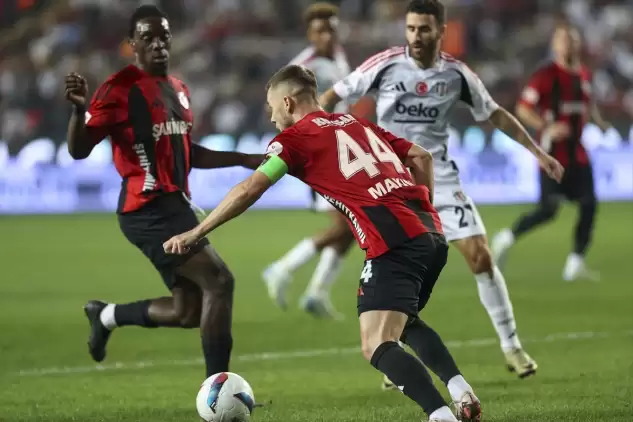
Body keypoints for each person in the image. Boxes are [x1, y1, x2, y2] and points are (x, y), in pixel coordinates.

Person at [164, 64, 482, 422]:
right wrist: (422, 208)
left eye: (271, 108)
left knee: (376, 344)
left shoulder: (292, 140)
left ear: (287, 102)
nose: (270, 117)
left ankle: (441, 417)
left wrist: (196, 232)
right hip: (430, 233)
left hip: (392, 241)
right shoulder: (356, 123)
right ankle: (461, 392)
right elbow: (420, 156)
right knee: (403, 322)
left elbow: (249, 188)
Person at [317, 0, 564, 384]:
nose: (416, 36)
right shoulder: (384, 64)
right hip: (391, 182)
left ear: (440, 31)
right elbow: (334, 93)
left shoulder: (457, 75)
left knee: (480, 256)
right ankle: (391, 344)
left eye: (424, 29)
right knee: (401, 267)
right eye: (411, 29)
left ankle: (511, 345)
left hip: (439, 179)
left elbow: (494, 112)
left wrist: (537, 152)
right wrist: (319, 132)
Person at [63, 5, 263, 378]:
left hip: (177, 207)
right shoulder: (119, 87)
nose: (158, 45)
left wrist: (243, 158)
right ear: (132, 44)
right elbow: (79, 150)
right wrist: (78, 112)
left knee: (188, 312)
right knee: (220, 282)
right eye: (148, 38)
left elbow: (186, 154)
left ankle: (106, 315)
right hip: (146, 209)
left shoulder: (179, 89)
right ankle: (217, 393)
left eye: (164, 37)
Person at [492, 22, 610, 281]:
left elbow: (588, 106)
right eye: (562, 40)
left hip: (578, 154)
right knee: (548, 210)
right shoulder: (546, 76)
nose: (568, 44)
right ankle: (507, 237)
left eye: (572, 39)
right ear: (555, 45)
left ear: (578, 44)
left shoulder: (585, 76)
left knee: (589, 204)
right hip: (552, 154)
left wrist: (600, 122)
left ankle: (576, 261)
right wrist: (547, 125)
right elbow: (523, 109)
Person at [262, 2, 353, 319]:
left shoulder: (338, 58)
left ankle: (316, 292)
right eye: (320, 31)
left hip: (342, 151)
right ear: (309, 34)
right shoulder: (303, 67)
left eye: (330, 29)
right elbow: (273, 107)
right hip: (320, 153)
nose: (326, 35)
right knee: (347, 223)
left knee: (352, 227)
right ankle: (282, 269)